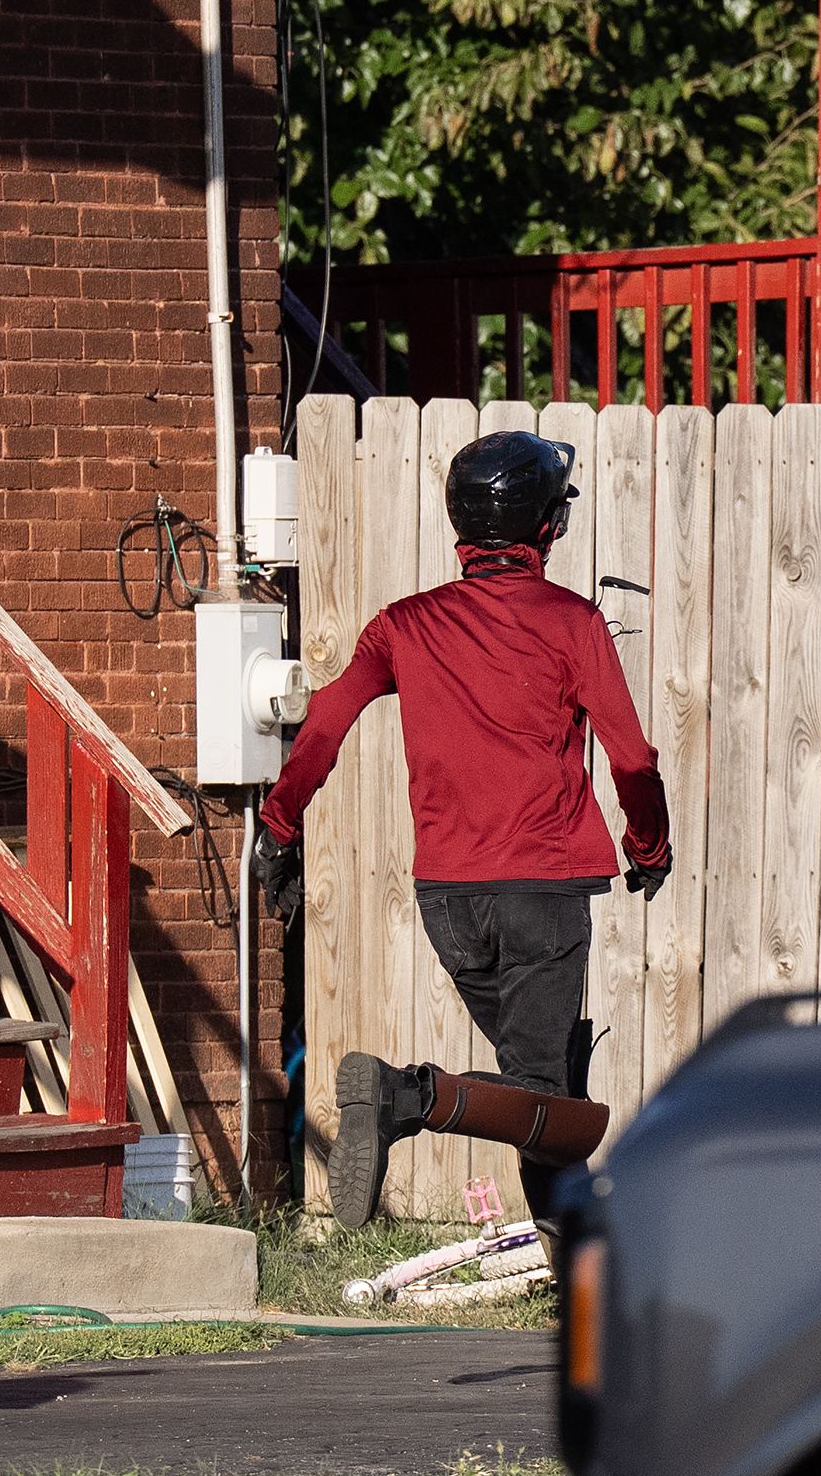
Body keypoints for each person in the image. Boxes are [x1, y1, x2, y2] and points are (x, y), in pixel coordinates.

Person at [250, 431, 670, 1226]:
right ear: (545, 526)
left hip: (448, 898)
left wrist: (278, 826)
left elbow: (326, 720)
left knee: (539, 1091)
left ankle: (576, 1270)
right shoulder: (572, 622)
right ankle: (404, 1095)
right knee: (544, 1095)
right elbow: (634, 759)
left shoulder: (403, 626)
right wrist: (649, 848)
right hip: (543, 894)